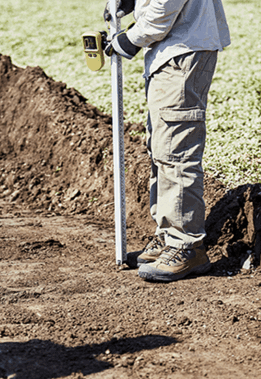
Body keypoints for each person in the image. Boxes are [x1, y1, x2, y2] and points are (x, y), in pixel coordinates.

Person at [104, 0, 231, 282]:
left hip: (183, 49)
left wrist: (130, 39)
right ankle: (168, 236)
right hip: (172, 49)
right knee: (161, 147)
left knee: (176, 151)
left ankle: (186, 245)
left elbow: (163, 9)